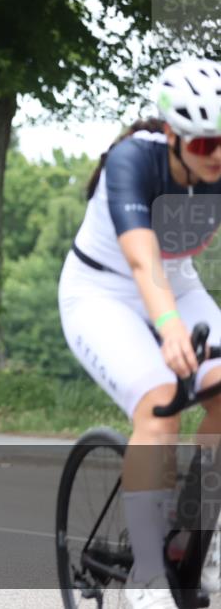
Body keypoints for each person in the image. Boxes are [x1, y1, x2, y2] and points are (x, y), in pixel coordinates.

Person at [59, 59, 221, 608]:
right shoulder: (131, 161)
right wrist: (170, 328)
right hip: (102, 292)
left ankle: (194, 534)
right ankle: (146, 577)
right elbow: (140, 258)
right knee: (160, 404)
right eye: (203, 146)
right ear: (173, 135)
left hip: (178, 283)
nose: (216, 156)